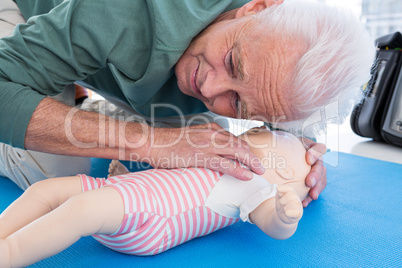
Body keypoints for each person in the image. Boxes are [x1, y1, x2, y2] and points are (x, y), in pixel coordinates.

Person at [0, 0, 375, 205]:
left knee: (217, 146)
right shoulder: (131, 11)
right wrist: (150, 142)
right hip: (22, 22)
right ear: (256, 7)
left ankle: (100, 115)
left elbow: (284, 117)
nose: (210, 90)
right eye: (233, 62)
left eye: (240, 103)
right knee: (55, 169)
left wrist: (300, 159)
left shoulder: (274, 54)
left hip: (97, 54)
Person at [0, 128, 312, 266]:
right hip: (125, 196)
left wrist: (285, 217)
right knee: (45, 190)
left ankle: (10, 254)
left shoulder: (255, 186)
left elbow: (271, 225)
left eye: (275, 135)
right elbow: (166, 180)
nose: (261, 128)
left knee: (78, 210)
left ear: (283, 172)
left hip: (149, 224)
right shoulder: (216, 154)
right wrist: (127, 179)